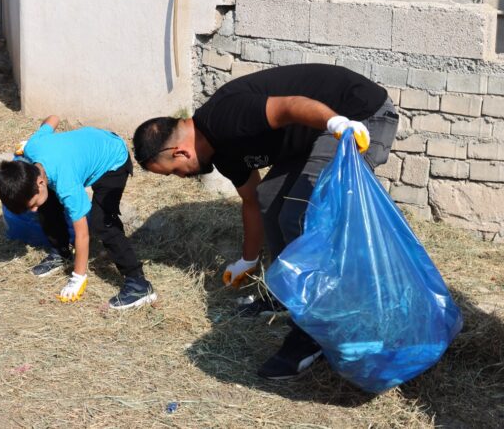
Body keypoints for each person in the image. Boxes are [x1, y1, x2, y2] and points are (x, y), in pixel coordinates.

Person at [132, 64, 399, 379]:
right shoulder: (222, 152)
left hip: (355, 114)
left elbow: (288, 107)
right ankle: (286, 292)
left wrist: (337, 123)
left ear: (179, 153)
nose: (182, 176)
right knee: (272, 199)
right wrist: (248, 258)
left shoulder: (224, 117)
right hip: (314, 134)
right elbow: (252, 200)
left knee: (301, 213)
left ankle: (313, 329)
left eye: (176, 171)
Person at [0, 115, 158, 310]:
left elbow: (83, 233)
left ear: (39, 182)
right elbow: (53, 119)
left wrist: (78, 278)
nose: (33, 210)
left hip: (112, 158)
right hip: (85, 148)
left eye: (32, 203)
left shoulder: (66, 183)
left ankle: (139, 284)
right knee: (47, 204)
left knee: (102, 222)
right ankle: (61, 253)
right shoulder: (32, 148)